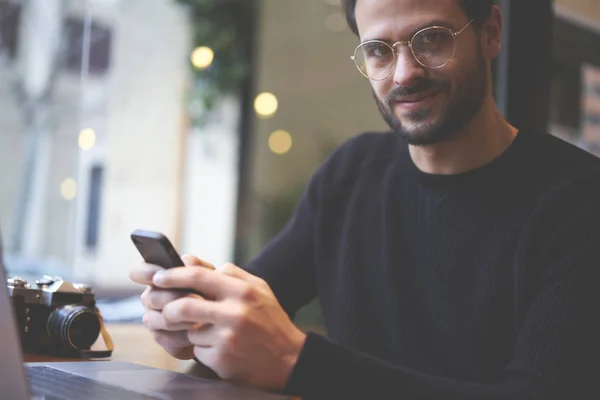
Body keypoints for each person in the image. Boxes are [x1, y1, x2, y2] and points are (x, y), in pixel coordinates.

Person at [129, 0, 600, 398]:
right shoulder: (350, 175)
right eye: (378, 51)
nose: (404, 74)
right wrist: (196, 318)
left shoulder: (578, 199)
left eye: (432, 39)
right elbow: (258, 299)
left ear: (491, 34)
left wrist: (298, 361)